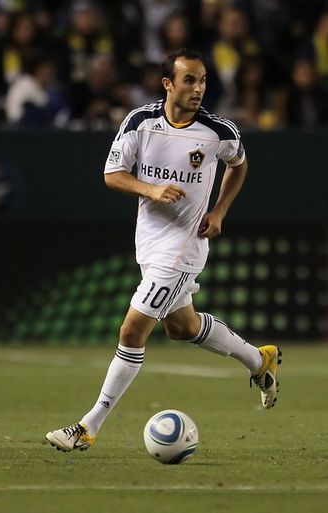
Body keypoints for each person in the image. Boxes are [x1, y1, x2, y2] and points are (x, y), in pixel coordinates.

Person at [46, 48, 282, 453]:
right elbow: (113, 175)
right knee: (183, 328)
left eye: (203, 80)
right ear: (168, 83)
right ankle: (260, 361)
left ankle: (87, 427)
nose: (198, 89)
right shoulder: (140, 122)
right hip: (149, 244)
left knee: (131, 331)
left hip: (183, 248)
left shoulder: (218, 131)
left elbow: (239, 165)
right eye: (189, 80)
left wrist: (220, 210)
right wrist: (150, 188)